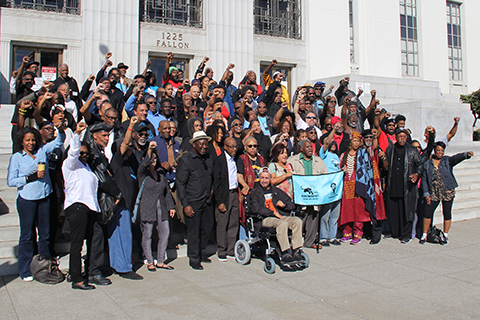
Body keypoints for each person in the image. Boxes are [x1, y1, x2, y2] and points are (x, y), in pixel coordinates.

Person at [7, 123, 65, 281]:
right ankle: (25, 269)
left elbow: (59, 142)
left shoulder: (42, 151)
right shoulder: (17, 158)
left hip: (44, 197)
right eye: (27, 140)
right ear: (22, 142)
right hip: (27, 200)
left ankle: (44, 266)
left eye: (33, 140)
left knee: (45, 234)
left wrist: (59, 130)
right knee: (27, 235)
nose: (31, 143)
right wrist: (31, 177)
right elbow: (10, 181)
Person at [62, 122, 99, 290]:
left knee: (89, 243)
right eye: (81, 153)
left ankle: (82, 273)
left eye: (86, 153)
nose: (83, 155)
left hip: (90, 209)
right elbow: (73, 152)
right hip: (77, 207)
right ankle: (77, 278)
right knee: (77, 245)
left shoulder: (87, 168)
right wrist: (77, 135)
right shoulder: (70, 165)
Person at [420, 143, 474, 245]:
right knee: (427, 212)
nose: (440, 152)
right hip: (434, 191)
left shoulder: (447, 161)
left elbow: (456, 158)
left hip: (447, 190)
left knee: (447, 212)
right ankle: (424, 235)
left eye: (442, 150)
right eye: (438, 150)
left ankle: (445, 235)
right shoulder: (427, 164)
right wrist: (426, 193)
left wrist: (466, 155)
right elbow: (424, 179)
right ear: (434, 151)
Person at [176, 131, 215, 270]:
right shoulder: (186, 160)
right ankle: (193, 258)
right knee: (194, 231)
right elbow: (180, 183)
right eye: (201, 143)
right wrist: (185, 204)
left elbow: (212, 176)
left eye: (206, 143)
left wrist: (211, 190)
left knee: (207, 227)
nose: (204, 146)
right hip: (193, 201)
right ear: (194, 144)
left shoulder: (208, 158)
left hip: (206, 201)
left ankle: (201, 252)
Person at [250, 169, 304, 262]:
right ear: (259, 178)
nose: (264, 180)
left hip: (279, 216)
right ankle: (285, 252)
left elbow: (291, 204)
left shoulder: (276, 191)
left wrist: (284, 205)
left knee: (297, 221)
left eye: (267, 178)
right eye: (262, 178)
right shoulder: (254, 192)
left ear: (270, 179)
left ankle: (296, 250)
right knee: (282, 223)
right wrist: (272, 213)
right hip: (264, 218)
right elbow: (256, 209)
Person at [137, 141, 176, 271]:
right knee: (147, 233)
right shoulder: (142, 173)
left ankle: (160, 260)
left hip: (162, 207)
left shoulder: (160, 173)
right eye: (151, 157)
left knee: (165, 232)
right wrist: (150, 149)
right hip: (148, 207)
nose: (153, 160)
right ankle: (149, 260)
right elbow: (145, 164)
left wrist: (171, 206)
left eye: (155, 158)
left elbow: (166, 193)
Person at [385, 130, 424, 243]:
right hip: (393, 184)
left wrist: (417, 174)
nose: (402, 138)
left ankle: (406, 235)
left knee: (406, 211)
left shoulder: (412, 150)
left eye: (404, 136)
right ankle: (395, 232)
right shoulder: (391, 149)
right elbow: (386, 166)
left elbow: (420, 164)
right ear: (396, 137)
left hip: (407, 186)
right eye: (400, 136)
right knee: (394, 211)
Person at [287, 139, 328, 248]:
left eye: (311, 146)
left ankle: (310, 242)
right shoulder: (292, 160)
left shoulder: (318, 161)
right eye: (307, 147)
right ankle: (296, 242)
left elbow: (325, 177)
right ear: (301, 149)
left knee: (313, 218)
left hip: (315, 196)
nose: (310, 149)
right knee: (301, 219)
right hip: (301, 197)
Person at [338, 131, 371, 245]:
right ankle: (347, 232)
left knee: (359, 209)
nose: (356, 143)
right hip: (347, 184)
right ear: (350, 142)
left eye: (358, 141)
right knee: (347, 208)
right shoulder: (344, 155)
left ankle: (358, 233)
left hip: (358, 185)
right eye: (354, 141)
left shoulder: (363, 154)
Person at [213, 137, 240, 261]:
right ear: (225, 147)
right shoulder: (219, 160)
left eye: (235, 146)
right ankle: (222, 250)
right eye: (231, 147)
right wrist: (220, 201)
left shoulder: (236, 159)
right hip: (224, 194)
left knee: (233, 222)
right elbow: (217, 182)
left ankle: (230, 250)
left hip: (235, 193)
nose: (234, 149)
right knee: (222, 223)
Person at [318, 123, 342, 246]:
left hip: (337, 189)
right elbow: (327, 142)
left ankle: (333, 236)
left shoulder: (336, 156)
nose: (332, 143)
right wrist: (333, 130)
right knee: (325, 214)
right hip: (327, 188)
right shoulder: (324, 153)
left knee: (335, 214)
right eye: (330, 142)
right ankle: (323, 237)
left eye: (334, 142)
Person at [237, 137, 266, 234]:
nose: (252, 148)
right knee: (246, 215)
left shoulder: (261, 159)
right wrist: (245, 185)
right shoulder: (242, 159)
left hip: (260, 192)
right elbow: (239, 176)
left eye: (255, 146)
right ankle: (244, 237)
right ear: (245, 147)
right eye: (250, 146)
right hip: (248, 193)